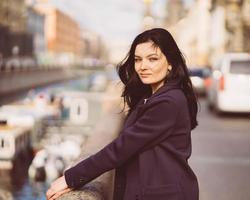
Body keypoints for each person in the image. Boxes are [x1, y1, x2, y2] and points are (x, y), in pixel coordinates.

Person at [46, 28, 199, 200]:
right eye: (138, 60)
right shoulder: (151, 96)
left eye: (153, 59)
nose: (143, 66)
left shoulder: (168, 102)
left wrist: (70, 178)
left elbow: (121, 148)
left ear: (170, 62)